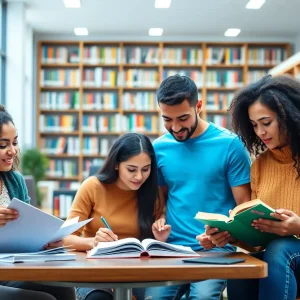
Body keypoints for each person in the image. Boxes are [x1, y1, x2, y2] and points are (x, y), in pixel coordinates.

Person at [145, 74, 251, 300]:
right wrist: (160, 219)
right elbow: (161, 200)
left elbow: (244, 207)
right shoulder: (160, 148)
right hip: (171, 249)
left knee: (203, 297)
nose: (175, 127)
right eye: (167, 119)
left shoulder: (230, 145)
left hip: (215, 248)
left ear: (199, 106)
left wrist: (223, 235)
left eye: (183, 118)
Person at [205, 74, 300, 300]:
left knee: (279, 251)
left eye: (266, 123)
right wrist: (231, 236)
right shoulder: (260, 166)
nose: (260, 132)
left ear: (291, 115)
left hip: (286, 255)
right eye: (254, 125)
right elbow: (257, 244)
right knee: (242, 265)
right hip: (279, 257)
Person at [64, 133, 168, 300]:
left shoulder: (152, 193)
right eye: (132, 169)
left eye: (145, 169)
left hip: (136, 272)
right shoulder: (93, 187)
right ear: (117, 164)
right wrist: (93, 242)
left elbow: (150, 248)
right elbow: (65, 238)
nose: (139, 177)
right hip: (95, 271)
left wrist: (160, 240)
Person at [0, 105, 75, 300]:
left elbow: (27, 232)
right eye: (3, 145)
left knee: (65, 289)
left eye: (14, 143)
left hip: (9, 270)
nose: (13, 151)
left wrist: (45, 240)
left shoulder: (15, 180)